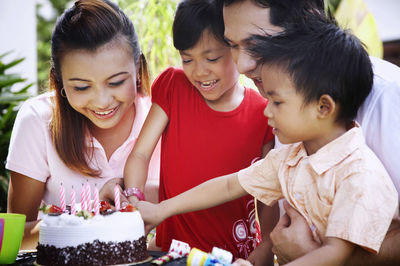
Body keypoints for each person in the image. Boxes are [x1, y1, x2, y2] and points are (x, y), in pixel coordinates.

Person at [138, 16, 398, 266]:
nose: (266, 111)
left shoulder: (357, 174)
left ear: (323, 107)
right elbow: (231, 185)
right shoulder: (292, 156)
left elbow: (334, 255)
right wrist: (162, 210)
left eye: (277, 102)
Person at [221, 0, 400, 265]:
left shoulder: (390, 99)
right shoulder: (285, 107)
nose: (242, 65)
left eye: (257, 43)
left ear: (306, 22)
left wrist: (319, 256)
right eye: (233, 45)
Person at [120, 0, 277, 259]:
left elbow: (266, 193)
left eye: (212, 58)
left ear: (236, 50)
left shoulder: (263, 112)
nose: (200, 72)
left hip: (233, 255)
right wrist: (135, 198)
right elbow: (140, 154)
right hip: (171, 252)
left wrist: (265, 248)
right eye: (187, 59)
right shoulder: (174, 87)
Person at [6, 0, 160, 250]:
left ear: (138, 67)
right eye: (81, 87)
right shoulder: (37, 119)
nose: (102, 101)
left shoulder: (162, 118)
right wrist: (89, 212)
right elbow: (14, 241)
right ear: (59, 80)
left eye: (116, 82)